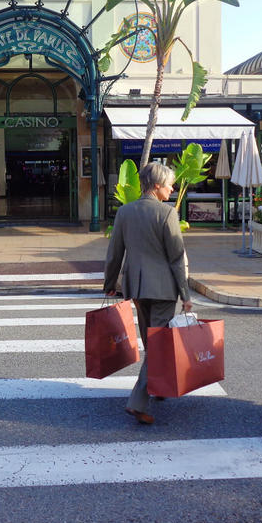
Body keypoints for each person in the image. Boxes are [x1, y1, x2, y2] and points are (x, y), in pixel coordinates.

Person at [104, 162, 192, 425]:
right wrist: (186, 294)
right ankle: (138, 401)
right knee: (158, 345)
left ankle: (158, 386)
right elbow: (176, 257)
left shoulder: (125, 212)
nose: (172, 188)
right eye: (169, 184)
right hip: (164, 288)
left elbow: (114, 253)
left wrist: (110, 282)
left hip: (137, 286)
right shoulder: (167, 213)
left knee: (152, 341)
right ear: (156, 186)